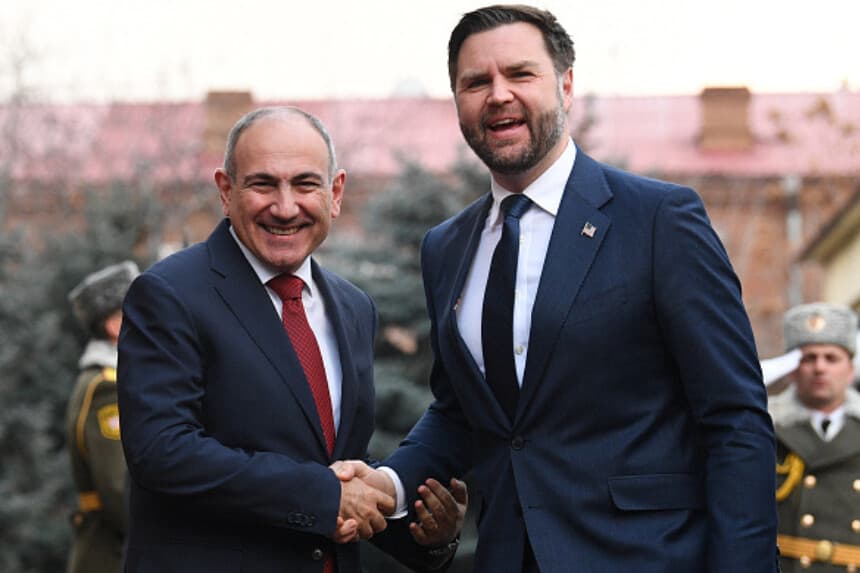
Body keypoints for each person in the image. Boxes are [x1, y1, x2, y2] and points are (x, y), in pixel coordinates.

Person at [339, 5, 779, 572]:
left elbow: (735, 419)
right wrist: (390, 483)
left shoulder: (659, 220)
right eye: (476, 82)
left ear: (566, 85)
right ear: (458, 104)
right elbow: (459, 413)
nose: (498, 95)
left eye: (520, 75)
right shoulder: (445, 248)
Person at [117, 106, 465, 573]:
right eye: (263, 184)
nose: (285, 207)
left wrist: (424, 533)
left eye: (305, 184)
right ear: (226, 191)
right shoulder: (169, 294)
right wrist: (325, 494)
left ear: (335, 192)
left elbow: (342, 467)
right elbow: (163, 452)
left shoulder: (353, 307)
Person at [770, 302, 860, 572]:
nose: (820, 368)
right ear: (792, 370)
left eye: (831, 358)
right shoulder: (763, 427)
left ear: (850, 369)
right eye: (808, 358)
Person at [65, 260, 138, 573]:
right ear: (114, 325)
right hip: (112, 556)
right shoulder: (107, 388)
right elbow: (117, 488)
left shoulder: (110, 379)